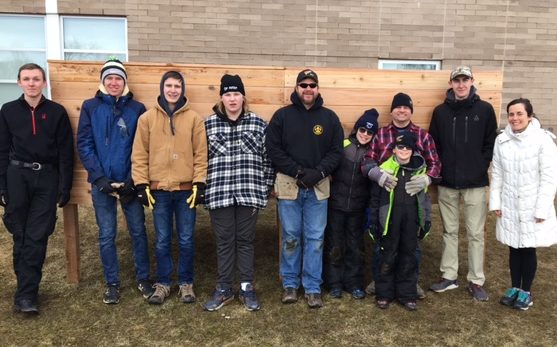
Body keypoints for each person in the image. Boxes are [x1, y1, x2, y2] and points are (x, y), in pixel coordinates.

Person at [266, 68, 344, 309]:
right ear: (296, 89)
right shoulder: (282, 116)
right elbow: (274, 149)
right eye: (303, 85)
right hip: (290, 184)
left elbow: (336, 151)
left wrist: (318, 172)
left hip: (319, 186)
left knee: (315, 237)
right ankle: (290, 284)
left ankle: (312, 287)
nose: (308, 89)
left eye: (312, 85)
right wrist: (298, 172)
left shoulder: (329, 118)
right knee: (291, 235)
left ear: (317, 89)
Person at [77, 58, 153, 304]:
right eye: (109, 78)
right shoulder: (90, 106)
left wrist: (134, 179)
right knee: (107, 234)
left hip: (129, 182)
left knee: (138, 231)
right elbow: (85, 144)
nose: (113, 82)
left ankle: (144, 278)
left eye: (118, 78)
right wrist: (99, 178)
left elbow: (142, 146)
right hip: (102, 183)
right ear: (103, 81)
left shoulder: (137, 109)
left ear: (124, 82)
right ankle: (112, 283)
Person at [0, 63, 74, 314]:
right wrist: (2, 184)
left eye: (36, 79)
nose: (32, 83)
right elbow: (1, 150)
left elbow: (66, 152)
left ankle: (27, 296)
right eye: (27, 79)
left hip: (46, 177)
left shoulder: (56, 112)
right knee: (19, 233)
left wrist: (65, 185)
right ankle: (24, 289)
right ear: (19, 82)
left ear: (44, 83)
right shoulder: (8, 111)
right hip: (16, 176)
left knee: (37, 235)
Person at [132, 70, 207, 305]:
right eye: (169, 86)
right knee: (162, 239)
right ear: (162, 88)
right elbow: (139, 154)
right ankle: (163, 283)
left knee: (186, 238)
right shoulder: (146, 119)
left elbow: (201, 154)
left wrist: (199, 182)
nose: (173, 90)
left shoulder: (194, 119)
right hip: (159, 191)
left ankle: (186, 283)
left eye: (177, 86)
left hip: (186, 190)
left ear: (182, 89)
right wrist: (141, 184)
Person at [202, 74, 274, 312]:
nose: (232, 99)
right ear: (222, 97)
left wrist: (264, 187)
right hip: (219, 193)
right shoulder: (208, 124)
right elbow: (201, 159)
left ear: (243, 97)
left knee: (245, 241)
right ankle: (223, 289)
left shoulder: (258, 124)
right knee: (224, 241)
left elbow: (268, 160)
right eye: (228, 94)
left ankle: (246, 287)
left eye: (236, 94)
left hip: (249, 194)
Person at [361, 92, 441, 299]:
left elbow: (435, 164)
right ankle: (379, 281)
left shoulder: (423, 136)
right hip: (385, 197)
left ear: (411, 111)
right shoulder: (380, 134)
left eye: (406, 107)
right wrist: (376, 174)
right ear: (392, 110)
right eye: (398, 107)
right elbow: (367, 160)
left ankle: (410, 283)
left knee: (410, 244)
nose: (402, 110)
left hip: (412, 199)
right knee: (383, 240)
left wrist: (427, 179)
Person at [428, 66, 497, 301]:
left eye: (465, 80)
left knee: (476, 233)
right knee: (449, 231)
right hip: (447, 183)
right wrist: (439, 172)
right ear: (451, 83)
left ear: (471, 82)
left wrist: (480, 166)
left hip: (475, 184)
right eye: (456, 80)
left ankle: (476, 280)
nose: (461, 84)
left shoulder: (485, 110)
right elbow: (433, 146)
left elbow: (490, 143)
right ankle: (449, 276)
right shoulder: (440, 112)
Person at [489, 98, 557, 310]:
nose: (515, 118)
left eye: (519, 114)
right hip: (509, 201)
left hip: (532, 203)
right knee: (513, 247)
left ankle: (526, 291)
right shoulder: (502, 140)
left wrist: (541, 208)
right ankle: (514, 288)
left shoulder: (543, 140)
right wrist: (496, 201)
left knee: (527, 248)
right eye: (511, 114)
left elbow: (549, 177)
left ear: (529, 116)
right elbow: (497, 172)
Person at [371, 133, 431, 311]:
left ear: (413, 151)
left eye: (407, 148)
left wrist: (426, 220)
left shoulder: (419, 171)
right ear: (394, 149)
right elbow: (375, 199)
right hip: (389, 220)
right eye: (400, 147)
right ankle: (384, 293)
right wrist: (374, 221)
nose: (404, 151)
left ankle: (407, 294)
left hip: (411, 221)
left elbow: (425, 199)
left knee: (408, 255)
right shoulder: (385, 169)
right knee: (387, 255)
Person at [324, 108, 378, 300]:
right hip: (336, 205)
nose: (365, 135)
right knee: (335, 245)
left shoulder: (372, 153)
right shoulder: (343, 145)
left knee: (355, 246)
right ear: (356, 129)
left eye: (370, 132)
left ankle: (354, 283)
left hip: (358, 208)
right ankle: (334, 283)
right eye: (362, 130)